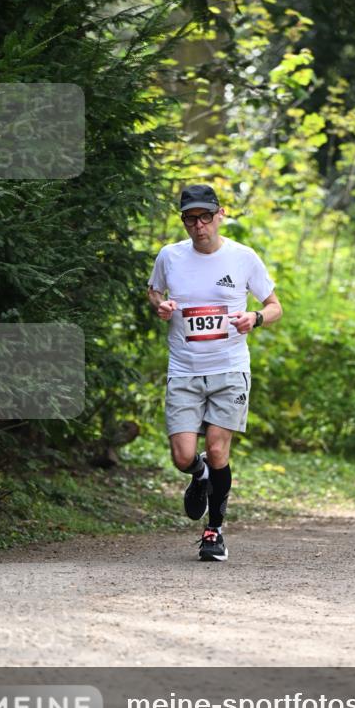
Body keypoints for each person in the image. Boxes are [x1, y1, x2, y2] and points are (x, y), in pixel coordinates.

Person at [147, 184, 282, 562]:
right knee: (182, 455)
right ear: (183, 221)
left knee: (219, 448)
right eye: (190, 219)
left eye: (205, 216)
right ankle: (199, 473)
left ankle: (214, 530)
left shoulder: (243, 258)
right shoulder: (170, 257)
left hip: (229, 368)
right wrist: (162, 305)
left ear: (220, 214)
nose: (199, 225)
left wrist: (254, 318)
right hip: (184, 370)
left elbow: (274, 306)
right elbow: (153, 291)